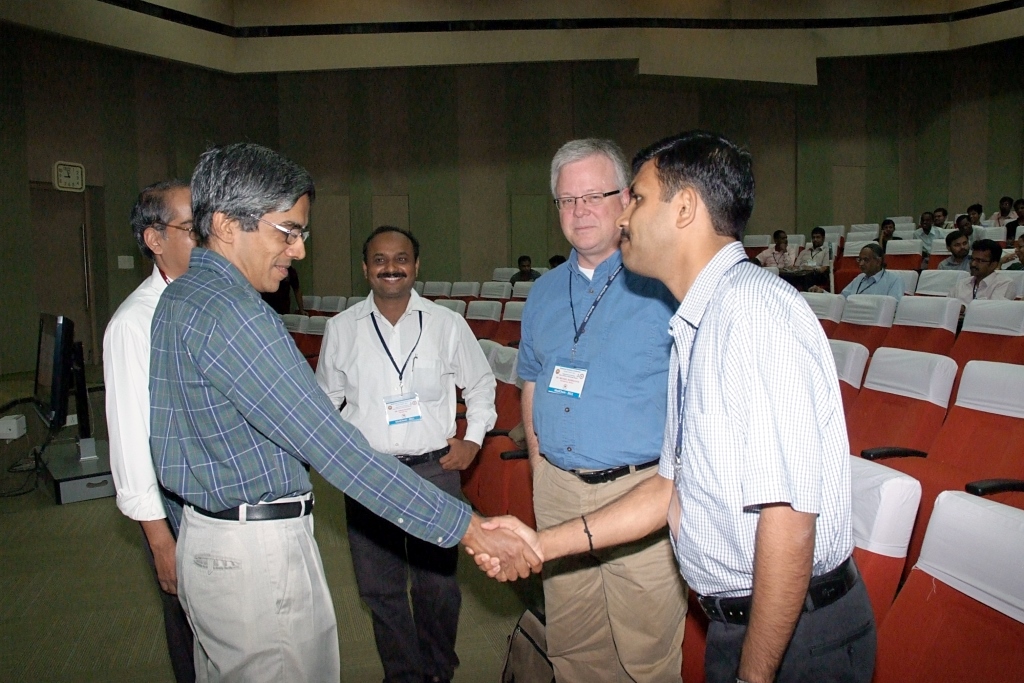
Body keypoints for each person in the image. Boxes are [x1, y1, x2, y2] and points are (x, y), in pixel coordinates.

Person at [480, 130, 873, 683]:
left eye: (635, 199)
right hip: (739, 621)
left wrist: (753, 677)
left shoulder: (752, 318)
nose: (624, 217)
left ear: (684, 208)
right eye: (568, 200)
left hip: (792, 635)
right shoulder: (699, 321)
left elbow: (788, 523)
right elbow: (668, 488)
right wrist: (542, 543)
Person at [149, 143, 538, 682]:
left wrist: (192, 536)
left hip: (214, 538)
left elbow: (165, 446)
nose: (299, 250)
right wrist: (469, 528)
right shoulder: (237, 316)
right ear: (227, 224)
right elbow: (334, 447)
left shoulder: (180, 297)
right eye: (288, 231)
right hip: (254, 558)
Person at [518, 138, 686, 682]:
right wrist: (538, 467)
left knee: (647, 655)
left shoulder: (666, 287)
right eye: (568, 200)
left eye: (595, 195)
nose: (581, 210)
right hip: (557, 490)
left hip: (639, 493)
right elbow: (531, 379)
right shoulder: (543, 293)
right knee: (573, 645)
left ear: (626, 200)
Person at [315, 225, 497, 683]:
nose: (390, 268)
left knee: (438, 587)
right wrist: (338, 459)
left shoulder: (446, 323)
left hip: (435, 471)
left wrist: (474, 440)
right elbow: (326, 401)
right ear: (365, 269)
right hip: (369, 476)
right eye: (379, 260)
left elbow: (480, 385)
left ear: (416, 266)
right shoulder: (342, 328)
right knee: (381, 590)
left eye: (400, 259)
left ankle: (438, 670)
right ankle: (403, 675)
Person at [103, 180, 196, 683]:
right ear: (155, 239)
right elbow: (130, 443)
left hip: (219, 504)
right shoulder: (134, 324)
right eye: (192, 227)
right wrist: (161, 542)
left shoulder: (213, 303)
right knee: (191, 634)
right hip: (175, 510)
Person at [811, 243, 903, 300]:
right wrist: (823, 293)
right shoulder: (859, 278)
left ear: (878, 261)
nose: (861, 264)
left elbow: (893, 307)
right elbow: (841, 299)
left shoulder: (894, 280)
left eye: (866, 260)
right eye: (859, 259)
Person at [949, 238, 1016, 309]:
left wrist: (964, 310)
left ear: (993, 264)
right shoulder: (962, 284)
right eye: (972, 259)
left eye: (979, 261)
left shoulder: (1004, 283)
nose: (973, 264)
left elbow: (993, 311)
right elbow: (947, 306)